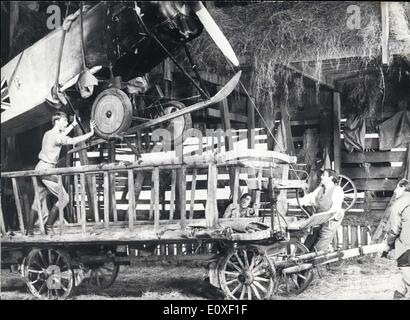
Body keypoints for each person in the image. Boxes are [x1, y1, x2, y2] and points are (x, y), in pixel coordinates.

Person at [27, 112, 96, 236]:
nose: (66, 124)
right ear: (58, 121)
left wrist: (73, 124)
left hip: (39, 168)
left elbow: (60, 136)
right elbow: (72, 140)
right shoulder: (57, 136)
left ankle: (29, 231)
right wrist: (90, 133)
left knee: (38, 201)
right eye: (65, 122)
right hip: (47, 170)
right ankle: (48, 227)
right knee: (64, 198)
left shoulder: (48, 134)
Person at [293, 169, 345, 252]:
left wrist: (321, 218)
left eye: (324, 175)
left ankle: (316, 261)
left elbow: (334, 209)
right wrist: (290, 201)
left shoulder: (337, 190)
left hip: (331, 221)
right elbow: (307, 199)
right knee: (307, 245)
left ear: (330, 178)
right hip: (319, 219)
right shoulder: (320, 189)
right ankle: (305, 257)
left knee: (319, 248)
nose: (321, 177)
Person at [381, 178, 410, 299]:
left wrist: (387, 245)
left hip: (407, 245)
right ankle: (399, 293)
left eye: (397, 188)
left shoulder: (398, 204)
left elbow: (394, 229)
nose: (395, 191)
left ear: (403, 187)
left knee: (406, 269)